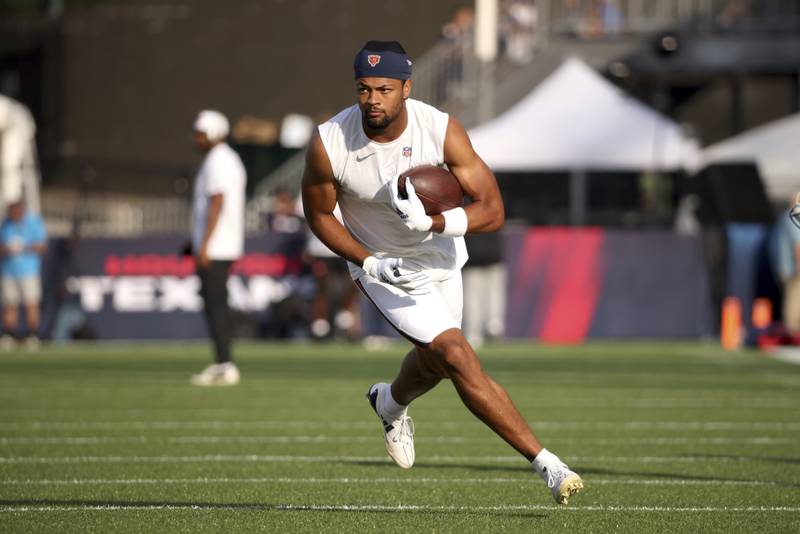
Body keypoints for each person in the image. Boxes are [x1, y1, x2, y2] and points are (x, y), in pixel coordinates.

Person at [301, 40, 583, 504]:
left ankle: (389, 403)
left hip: (442, 257)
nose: (373, 100)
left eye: (384, 89)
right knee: (456, 353)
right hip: (384, 269)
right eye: (364, 89)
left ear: (406, 88)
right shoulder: (330, 141)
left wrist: (433, 221)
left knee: (436, 362)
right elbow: (320, 215)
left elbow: (492, 209)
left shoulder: (440, 129)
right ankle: (548, 463)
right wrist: (368, 261)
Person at [189, 110, 246, 386]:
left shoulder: (218, 160)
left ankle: (225, 364)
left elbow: (217, 201)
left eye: (200, 133)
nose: (196, 139)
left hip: (217, 247)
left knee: (215, 305)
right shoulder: (225, 158)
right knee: (215, 304)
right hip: (220, 244)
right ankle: (223, 362)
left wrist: (204, 245)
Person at [0, 199, 47, 350]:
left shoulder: (33, 222)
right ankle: (9, 334)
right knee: (9, 303)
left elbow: (42, 247)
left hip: (28, 270)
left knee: (31, 302)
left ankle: (33, 334)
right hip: (8, 270)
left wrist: (24, 247)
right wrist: (8, 248)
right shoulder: (6, 223)